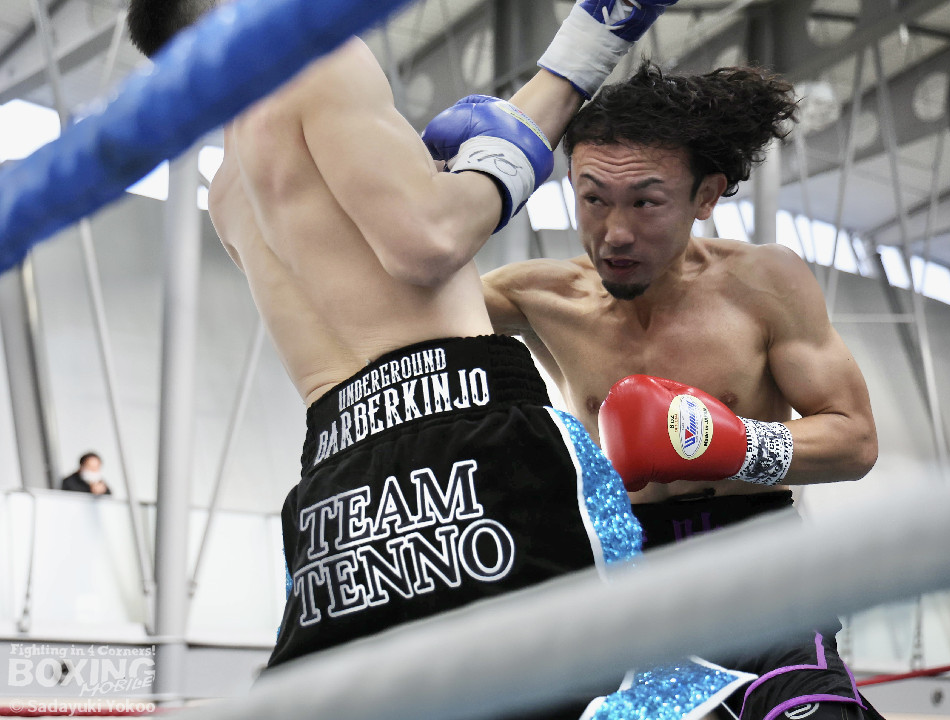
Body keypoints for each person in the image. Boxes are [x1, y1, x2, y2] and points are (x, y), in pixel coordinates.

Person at [124, 4, 752, 719]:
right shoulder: (320, 63)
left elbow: (404, 240)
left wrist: (592, 39)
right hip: (465, 441)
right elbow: (428, 241)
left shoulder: (227, 192)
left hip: (335, 499)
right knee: (632, 691)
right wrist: (483, 168)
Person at [480, 61, 882, 720]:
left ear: (706, 196)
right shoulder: (541, 296)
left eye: (646, 202)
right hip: (625, 582)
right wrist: (458, 179)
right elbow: (398, 295)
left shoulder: (764, 283)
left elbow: (855, 440)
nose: (615, 232)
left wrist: (730, 446)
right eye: (593, 198)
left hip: (761, 569)